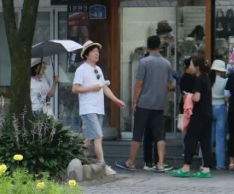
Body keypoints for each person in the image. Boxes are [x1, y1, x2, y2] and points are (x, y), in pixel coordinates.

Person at [118, 35, 171, 173]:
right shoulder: (167, 63)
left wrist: (134, 101)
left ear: (147, 47)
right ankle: (160, 164)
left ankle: (131, 162)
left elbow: (139, 83)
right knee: (160, 135)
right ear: (159, 46)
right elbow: (168, 85)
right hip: (159, 104)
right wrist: (162, 97)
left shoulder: (144, 62)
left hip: (144, 103)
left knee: (138, 133)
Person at [72, 41, 125, 176]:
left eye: (98, 51)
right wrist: (92, 88)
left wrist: (116, 100)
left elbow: (104, 87)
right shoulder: (81, 69)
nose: (97, 54)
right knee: (98, 136)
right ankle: (102, 165)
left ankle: (76, 157)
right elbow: (75, 88)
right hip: (88, 108)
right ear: (86, 54)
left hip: (98, 108)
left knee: (91, 138)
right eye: (94, 51)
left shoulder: (98, 69)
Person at [173, 56, 213, 178]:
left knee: (190, 140)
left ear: (197, 67)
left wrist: (188, 96)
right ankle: (206, 169)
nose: (189, 67)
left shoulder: (198, 80)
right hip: (208, 114)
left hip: (198, 115)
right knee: (205, 141)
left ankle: (186, 167)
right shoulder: (207, 78)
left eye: (191, 65)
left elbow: (197, 98)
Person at [210, 60, 228, 171]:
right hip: (221, 108)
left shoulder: (208, 80)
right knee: (220, 137)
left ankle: (205, 163)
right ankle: (220, 164)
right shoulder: (225, 81)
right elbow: (227, 98)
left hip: (209, 108)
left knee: (208, 137)